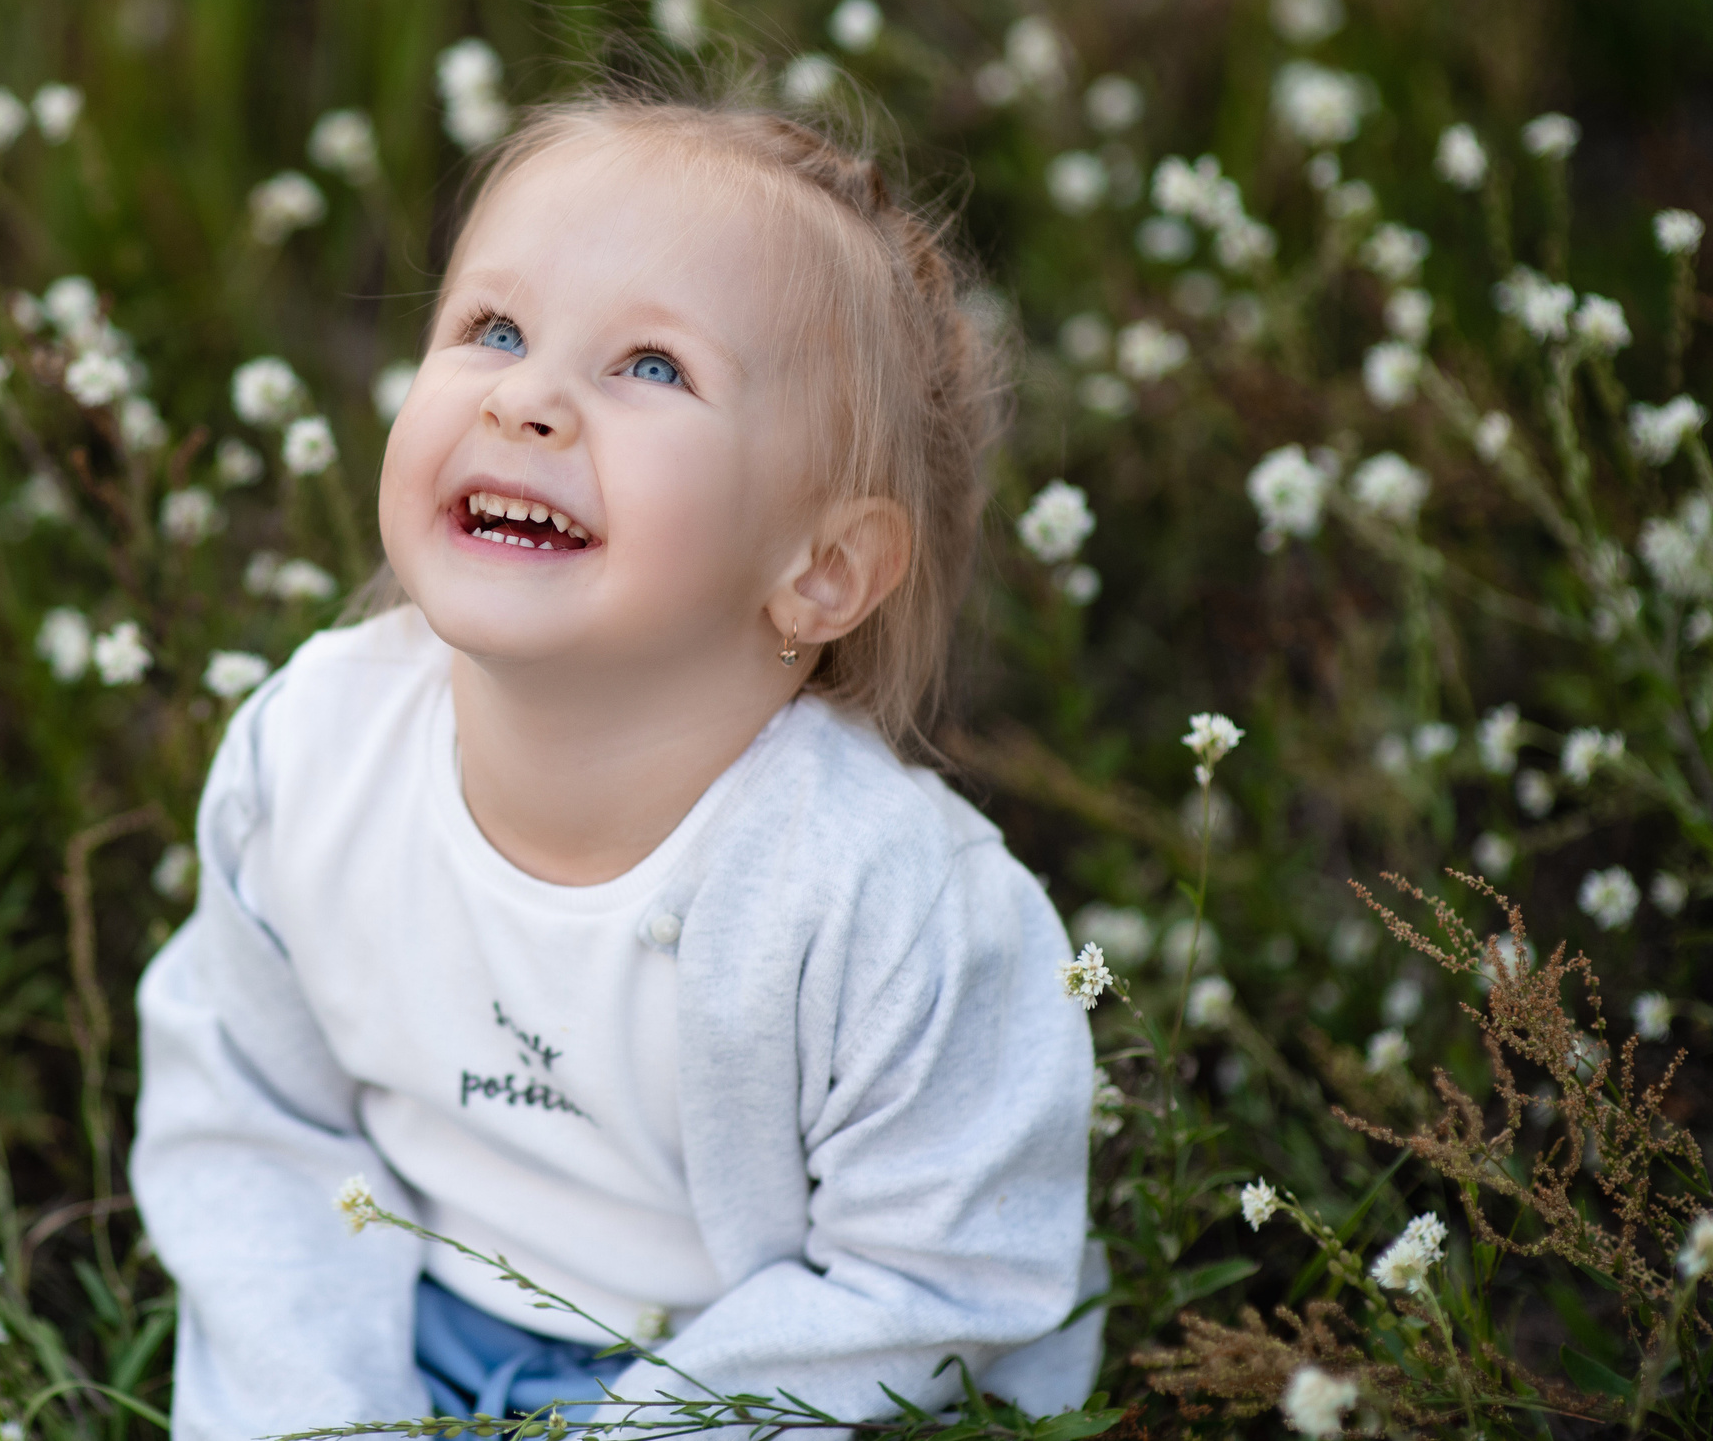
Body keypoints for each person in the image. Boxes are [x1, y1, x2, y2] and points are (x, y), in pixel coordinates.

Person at [132, 76, 1103, 1440]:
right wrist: (323, 1410)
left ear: (821, 571)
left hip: (757, 1374)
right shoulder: (315, 754)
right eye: (493, 327)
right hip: (390, 1311)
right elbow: (249, 1113)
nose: (530, 396)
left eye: (652, 366)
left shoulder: (893, 906)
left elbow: (931, 1279)